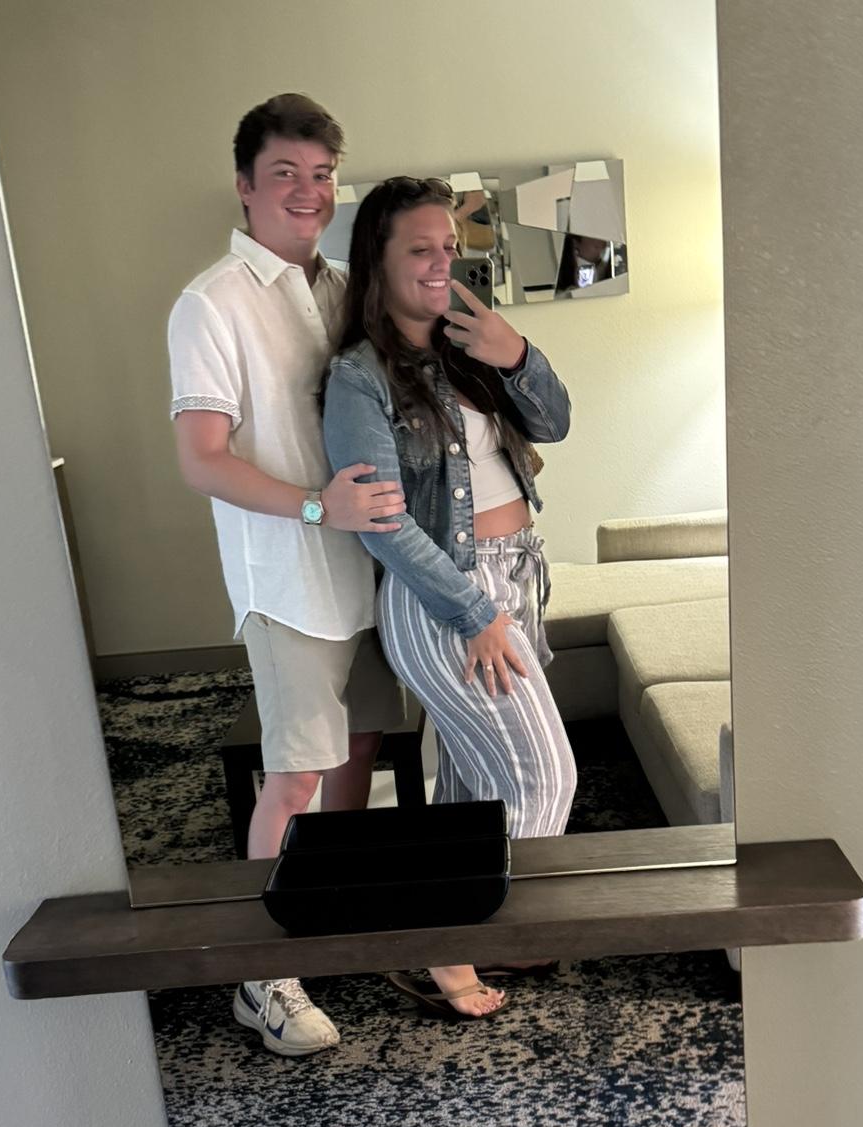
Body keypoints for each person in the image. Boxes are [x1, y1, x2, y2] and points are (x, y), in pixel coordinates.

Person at [168, 95, 408, 1058]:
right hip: (290, 579)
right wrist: (318, 509)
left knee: (359, 756)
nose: (308, 192)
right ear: (244, 185)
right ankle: (259, 979)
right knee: (297, 773)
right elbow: (202, 460)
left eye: (321, 174)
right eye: (285, 174)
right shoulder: (211, 303)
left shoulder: (348, 288)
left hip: (374, 569)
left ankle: (329, 916)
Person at [322, 177, 577, 1020]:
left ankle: (472, 924)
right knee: (546, 778)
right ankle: (444, 938)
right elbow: (382, 521)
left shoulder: (469, 346)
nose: (441, 263)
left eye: (449, 247)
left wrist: (517, 353)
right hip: (447, 599)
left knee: (475, 786)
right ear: (378, 260)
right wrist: (474, 612)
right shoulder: (359, 377)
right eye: (420, 249)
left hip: (514, 581)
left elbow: (555, 423)